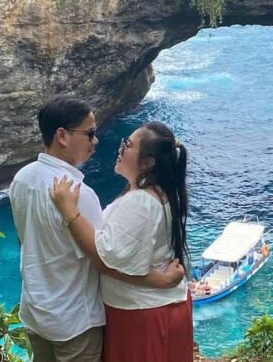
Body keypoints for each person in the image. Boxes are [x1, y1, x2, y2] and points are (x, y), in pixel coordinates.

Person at [10, 96, 184, 362]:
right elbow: (104, 260)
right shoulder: (80, 194)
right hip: (74, 318)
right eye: (90, 133)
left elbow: (26, 240)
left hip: (36, 311)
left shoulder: (22, 179)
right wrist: (157, 280)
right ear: (62, 136)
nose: (96, 140)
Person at [49, 121, 193, 362]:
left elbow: (104, 259)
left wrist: (69, 211)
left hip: (142, 312)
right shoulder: (157, 193)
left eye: (128, 145)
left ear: (147, 163)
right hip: (153, 307)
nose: (120, 148)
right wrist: (157, 279)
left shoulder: (140, 202)